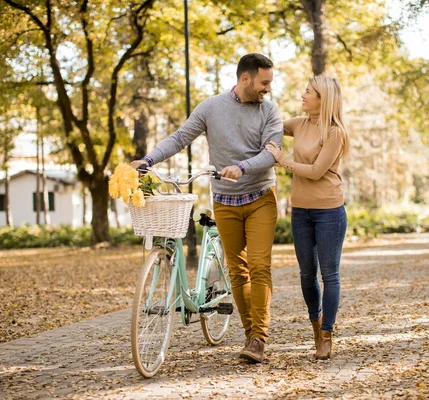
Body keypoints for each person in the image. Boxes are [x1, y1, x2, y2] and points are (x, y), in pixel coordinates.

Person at [131, 53, 283, 363]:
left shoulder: (270, 111)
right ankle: (249, 332)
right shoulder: (212, 107)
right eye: (264, 82)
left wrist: (242, 167)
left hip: (260, 197)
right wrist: (148, 160)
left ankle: (258, 340)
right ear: (245, 79)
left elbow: (271, 154)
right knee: (238, 271)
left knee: (258, 265)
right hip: (224, 201)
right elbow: (181, 137)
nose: (268, 87)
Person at [265, 75, 348, 360]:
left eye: (308, 92)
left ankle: (326, 334)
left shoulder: (335, 132)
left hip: (329, 211)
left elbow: (315, 171)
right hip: (300, 210)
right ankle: (315, 327)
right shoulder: (299, 124)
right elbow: (270, 120)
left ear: (323, 99)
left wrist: (282, 160)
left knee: (330, 274)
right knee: (306, 274)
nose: (303, 95)